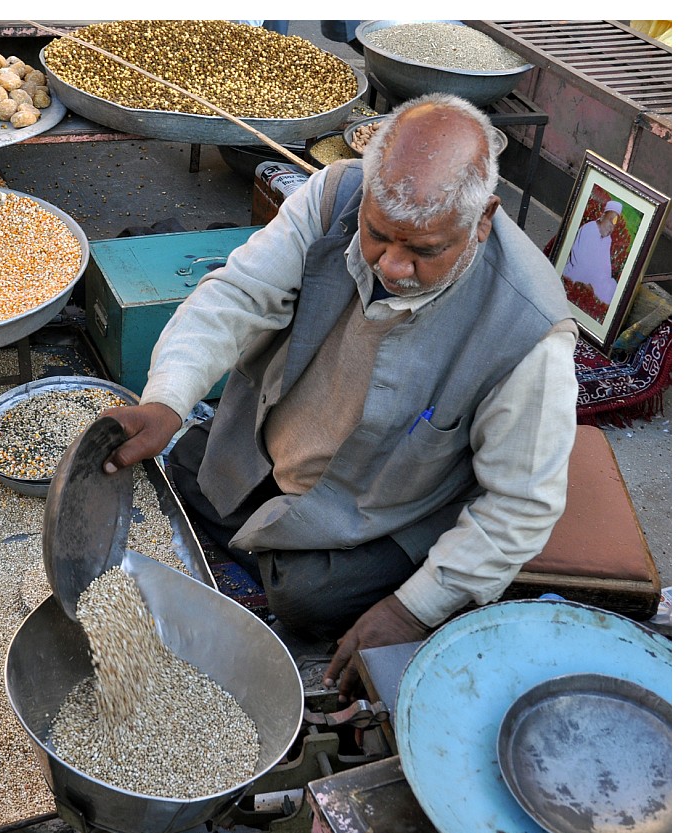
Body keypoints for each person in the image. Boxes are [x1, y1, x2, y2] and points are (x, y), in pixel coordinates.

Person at [101, 93, 579, 704]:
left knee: (305, 601)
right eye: (378, 237)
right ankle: (272, 532)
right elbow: (237, 296)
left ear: (482, 221)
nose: (393, 266)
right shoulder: (335, 195)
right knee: (190, 460)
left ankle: (313, 561)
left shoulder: (527, 330)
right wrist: (166, 400)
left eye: (424, 251)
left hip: (387, 503)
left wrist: (413, 610)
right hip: (287, 444)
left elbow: (521, 506)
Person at [562, 201, 623, 305]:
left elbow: (606, 266)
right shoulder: (589, 229)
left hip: (595, 277)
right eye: (610, 221)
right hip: (578, 272)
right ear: (603, 216)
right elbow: (580, 262)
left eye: (614, 225)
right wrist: (592, 284)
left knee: (613, 286)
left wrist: (604, 279)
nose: (611, 228)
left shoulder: (608, 239)